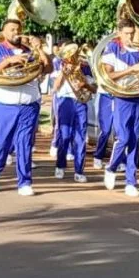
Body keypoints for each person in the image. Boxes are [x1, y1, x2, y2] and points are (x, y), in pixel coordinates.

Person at [0, 19, 52, 196]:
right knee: (2, 141)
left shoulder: (30, 51)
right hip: (4, 103)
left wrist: (40, 49)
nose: (16, 32)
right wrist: (9, 61)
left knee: (25, 143)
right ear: (3, 31)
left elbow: (48, 69)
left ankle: (25, 182)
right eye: (12, 29)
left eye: (18, 29)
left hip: (29, 103)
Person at [102, 19, 139, 197]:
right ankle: (112, 167)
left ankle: (131, 182)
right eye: (126, 33)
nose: (130, 36)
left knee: (134, 141)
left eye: (132, 33)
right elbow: (109, 76)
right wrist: (133, 70)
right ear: (119, 33)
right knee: (123, 138)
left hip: (136, 98)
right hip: (121, 98)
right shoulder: (112, 49)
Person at [51, 47, 96, 183]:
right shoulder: (59, 64)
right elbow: (55, 88)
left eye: (73, 53)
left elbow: (94, 89)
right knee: (64, 135)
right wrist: (63, 74)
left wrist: (85, 85)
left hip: (81, 102)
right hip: (65, 101)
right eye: (69, 54)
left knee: (80, 137)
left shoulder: (84, 66)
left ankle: (79, 171)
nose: (71, 56)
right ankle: (60, 165)